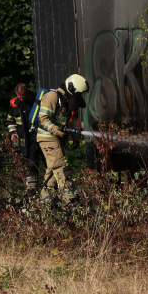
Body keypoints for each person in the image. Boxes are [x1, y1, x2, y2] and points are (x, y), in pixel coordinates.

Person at [36, 74, 88, 203]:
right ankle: (70, 201)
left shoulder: (67, 100)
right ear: (71, 89)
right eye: (78, 94)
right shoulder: (52, 96)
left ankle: (45, 201)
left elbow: (69, 120)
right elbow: (43, 118)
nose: (79, 97)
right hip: (48, 138)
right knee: (61, 168)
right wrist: (56, 131)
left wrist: (75, 135)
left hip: (57, 139)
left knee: (52, 170)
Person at [7, 83, 41, 192]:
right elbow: (10, 120)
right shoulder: (14, 103)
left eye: (23, 97)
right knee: (31, 164)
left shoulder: (37, 100)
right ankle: (32, 191)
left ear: (27, 93)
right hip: (26, 139)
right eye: (19, 97)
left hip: (40, 136)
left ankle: (52, 189)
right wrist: (13, 132)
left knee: (49, 163)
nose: (21, 99)